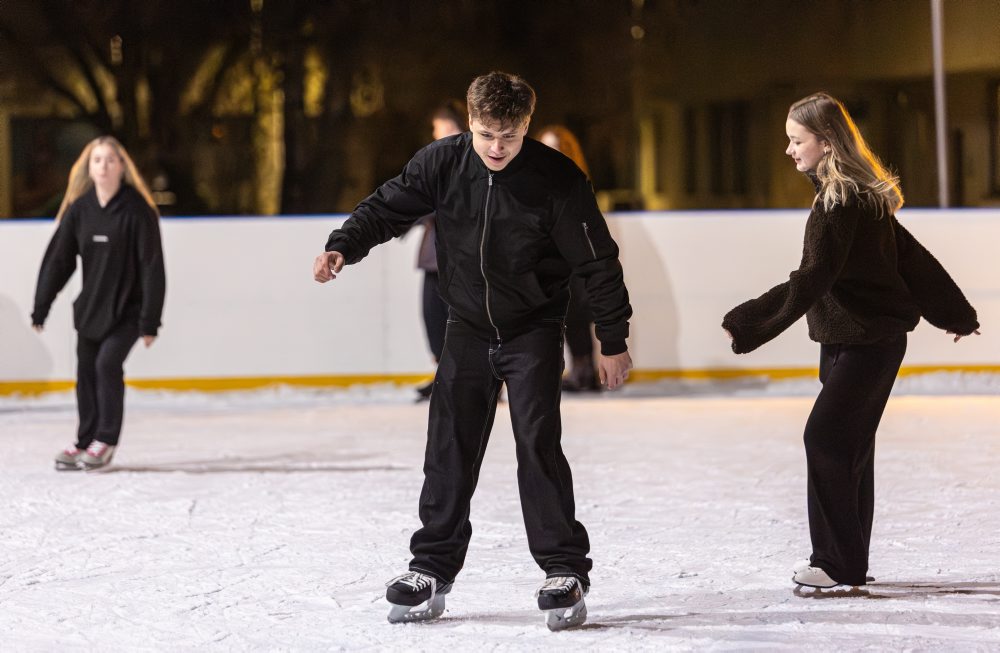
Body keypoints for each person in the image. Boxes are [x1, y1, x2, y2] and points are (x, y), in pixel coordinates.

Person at [313, 71, 633, 629]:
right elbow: (388, 206)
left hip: (533, 328)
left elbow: (596, 261)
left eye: (509, 135)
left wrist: (612, 339)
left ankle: (564, 570)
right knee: (448, 448)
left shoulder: (557, 178)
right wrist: (344, 244)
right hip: (466, 327)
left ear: (526, 125)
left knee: (537, 443)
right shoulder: (442, 163)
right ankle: (431, 566)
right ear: (470, 122)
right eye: (486, 134)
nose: (497, 147)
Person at [721, 93, 980, 590]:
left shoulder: (842, 203)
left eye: (797, 141)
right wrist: (956, 314)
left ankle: (836, 563)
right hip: (851, 340)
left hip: (868, 343)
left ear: (826, 141)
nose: (789, 151)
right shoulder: (859, 199)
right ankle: (846, 561)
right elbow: (913, 261)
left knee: (827, 439)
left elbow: (814, 277)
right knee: (849, 448)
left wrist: (749, 322)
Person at [32, 136, 166, 471]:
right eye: (97, 160)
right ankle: (84, 440)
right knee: (86, 374)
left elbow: (152, 267)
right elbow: (58, 262)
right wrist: (41, 305)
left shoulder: (138, 210)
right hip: (90, 311)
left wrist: (150, 321)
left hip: (128, 312)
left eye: (110, 160)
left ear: (122, 166)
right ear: (88, 168)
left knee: (107, 365)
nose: (103, 166)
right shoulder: (80, 210)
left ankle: (105, 439)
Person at [536, 125, 600, 392]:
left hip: (573, 261)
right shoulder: (532, 181)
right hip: (548, 261)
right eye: (546, 147)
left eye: (557, 148)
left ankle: (585, 371)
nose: (551, 154)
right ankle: (577, 370)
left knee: (576, 313)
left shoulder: (574, 182)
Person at [414, 100, 467, 401]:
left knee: (459, 320)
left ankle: (475, 379)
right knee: (434, 318)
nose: (435, 135)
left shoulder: (464, 158)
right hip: (434, 258)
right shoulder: (435, 161)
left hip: (457, 257)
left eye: (437, 129)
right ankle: (444, 375)